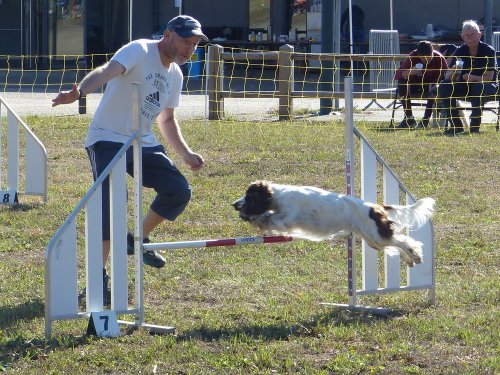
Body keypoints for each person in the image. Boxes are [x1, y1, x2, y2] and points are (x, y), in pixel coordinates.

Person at [52, 15, 207, 303]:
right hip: (107, 137)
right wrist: (80, 92)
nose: (190, 48)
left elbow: (168, 119)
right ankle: (98, 277)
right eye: (187, 41)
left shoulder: (175, 74)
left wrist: (185, 153)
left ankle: (137, 239)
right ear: (169, 34)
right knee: (113, 200)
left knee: (178, 190)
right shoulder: (139, 50)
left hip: (143, 141)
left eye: (195, 43)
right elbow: (106, 71)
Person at [437, 20, 498, 135]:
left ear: (480, 35)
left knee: (478, 86)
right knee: (445, 85)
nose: (470, 37)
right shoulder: (460, 50)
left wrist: (473, 77)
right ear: (463, 37)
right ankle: (456, 126)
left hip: (488, 87)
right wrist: (453, 73)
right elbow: (448, 75)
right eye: (467, 35)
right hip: (464, 85)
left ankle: (474, 127)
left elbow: (489, 77)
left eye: (473, 34)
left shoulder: (488, 50)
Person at [394, 40, 448, 128]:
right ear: (418, 54)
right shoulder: (413, 56)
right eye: (423, 58)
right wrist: (410, 72)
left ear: (432, 52)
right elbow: (398, 74)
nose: (426, 60)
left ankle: (425, 120)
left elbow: (445, 77)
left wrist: (435, 83)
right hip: (414, 85)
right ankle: (409, 118)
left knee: (435, 88)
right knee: (402, 82)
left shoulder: (439, 58)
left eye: (429, 57)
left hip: (431, 87)